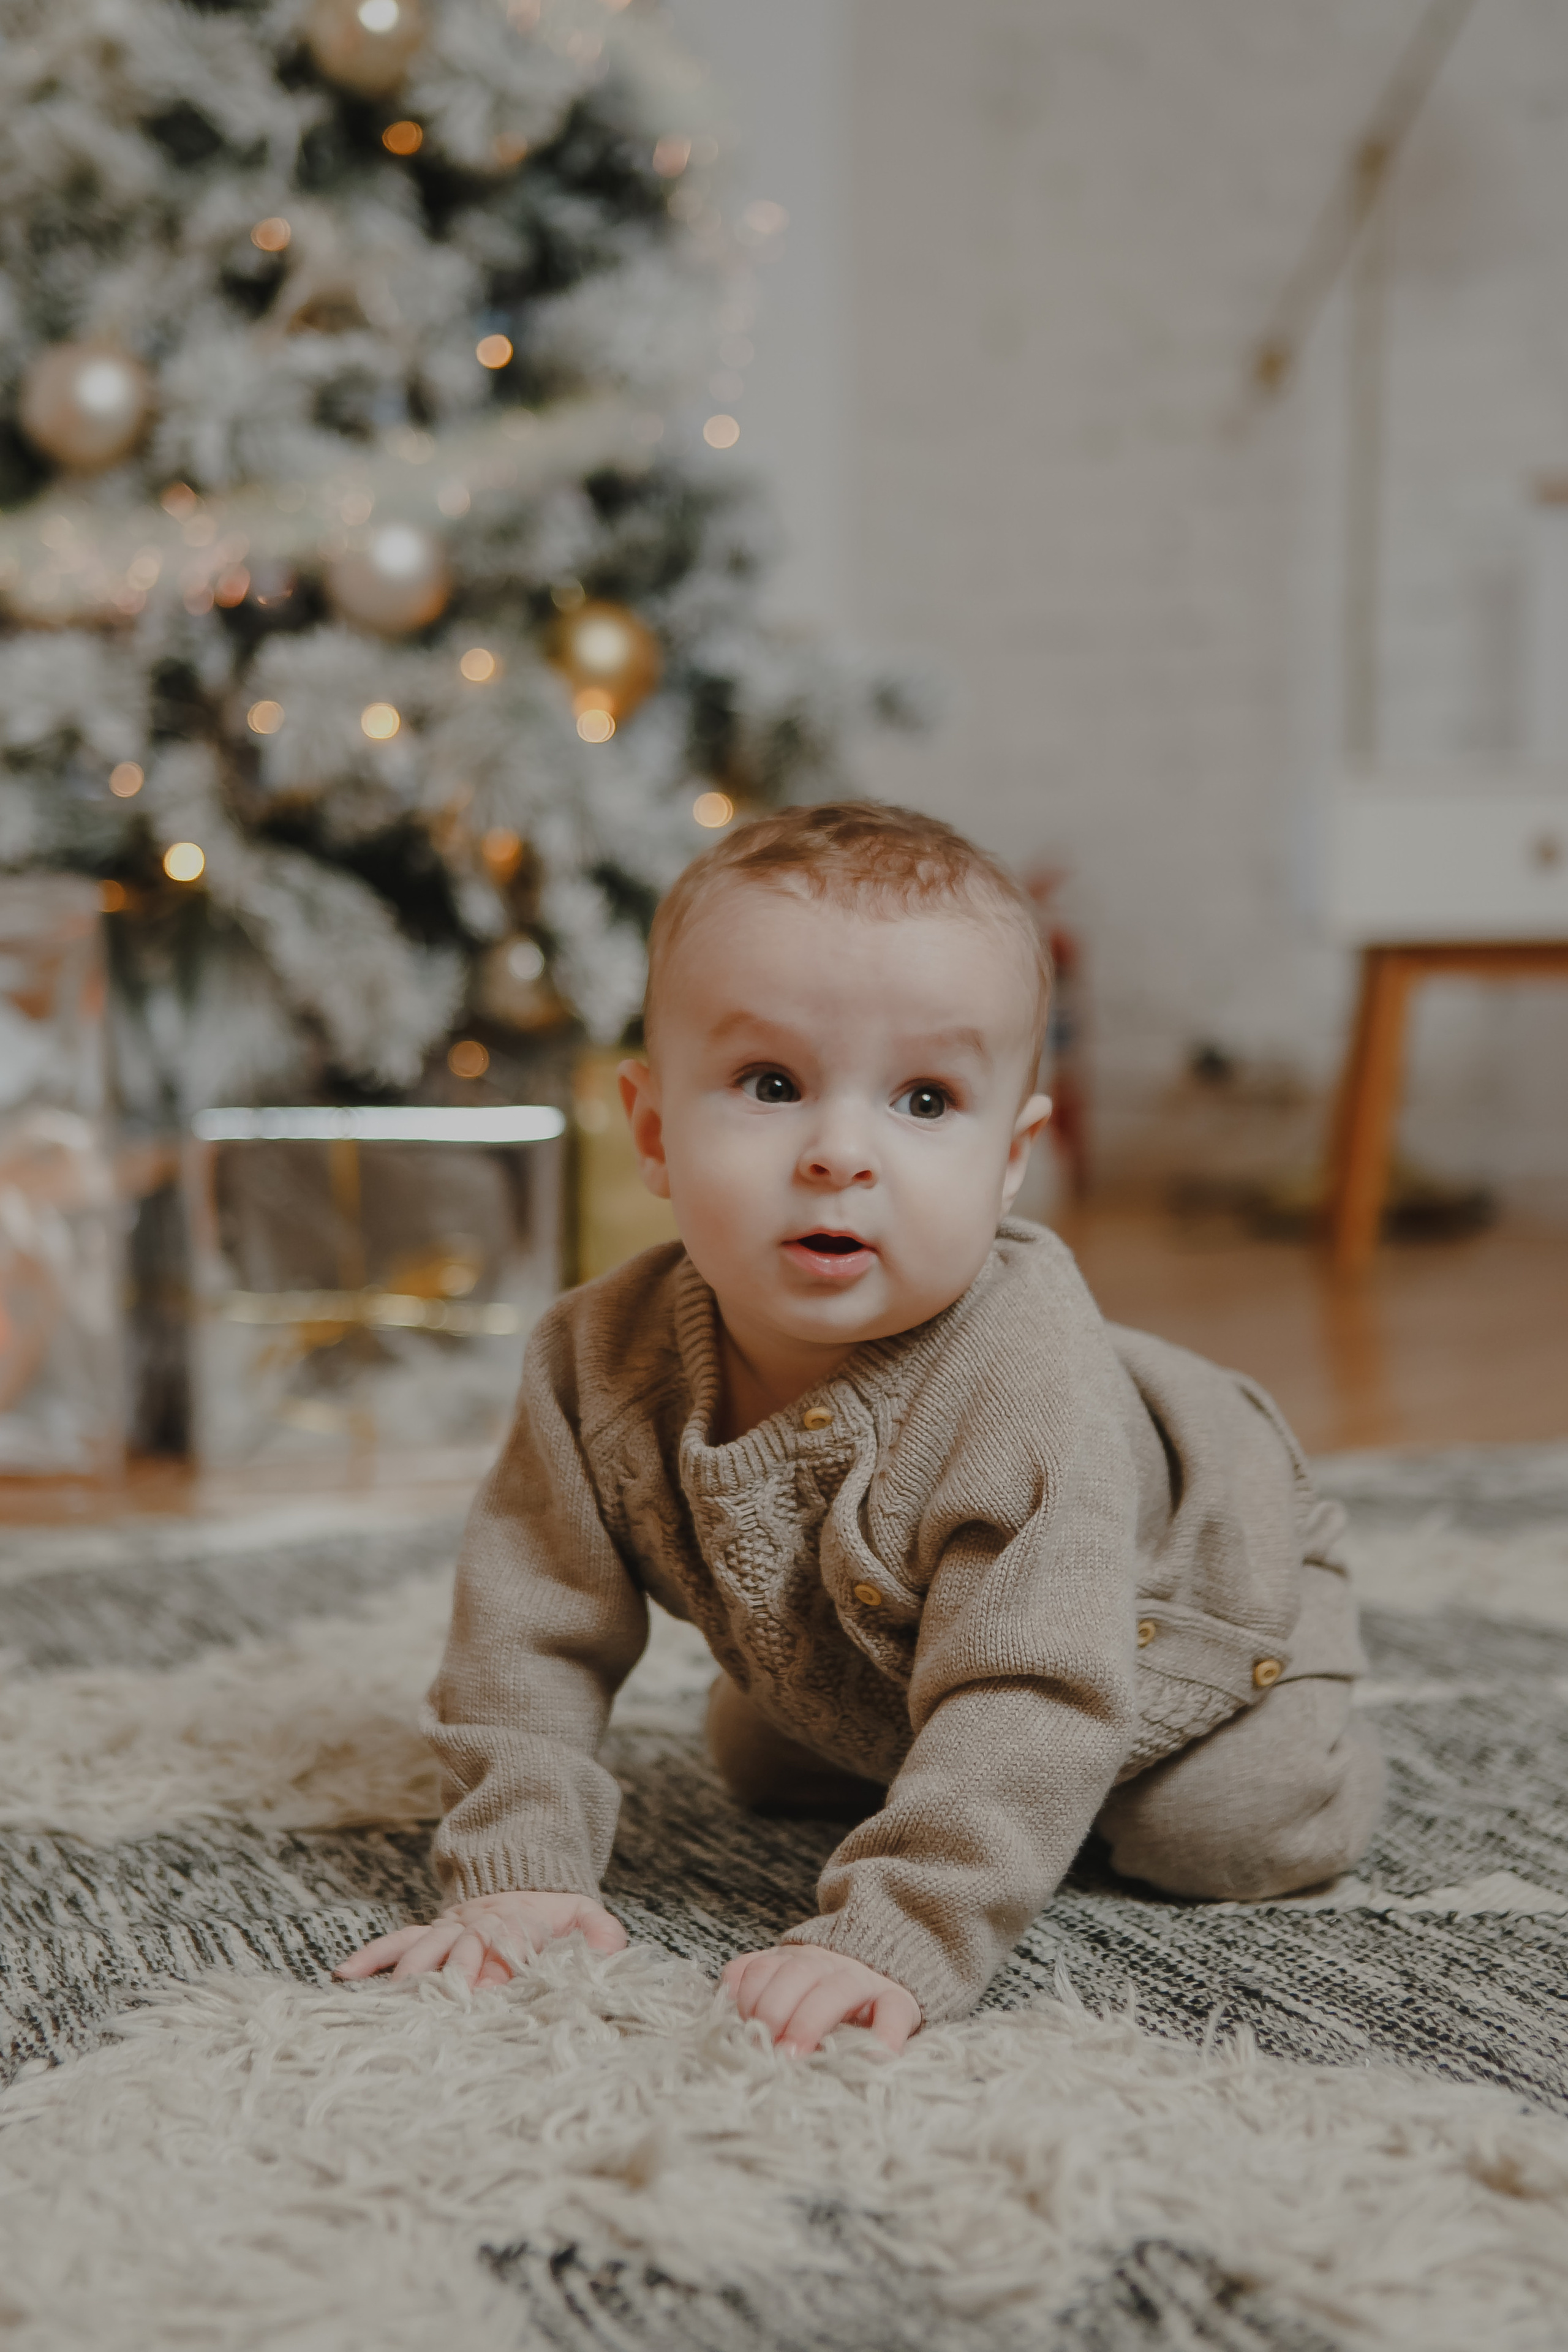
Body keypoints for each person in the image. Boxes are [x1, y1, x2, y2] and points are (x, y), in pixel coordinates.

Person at [336, 802, 1382, 2054]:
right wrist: (519, 1869)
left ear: (1010, 1158)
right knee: (767, 1766)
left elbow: (1029, 1687)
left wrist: (899, 1929)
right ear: (656, 1129)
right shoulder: (591, 1361)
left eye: (925, 1100)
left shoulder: (1022, 1388)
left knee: (1220, 1830)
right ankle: (885, 1723)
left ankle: (1313, 1718)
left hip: (1183, 1606)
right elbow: (528, 1627)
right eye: (770, 1085)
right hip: (897, 1637)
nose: (840, 1152)